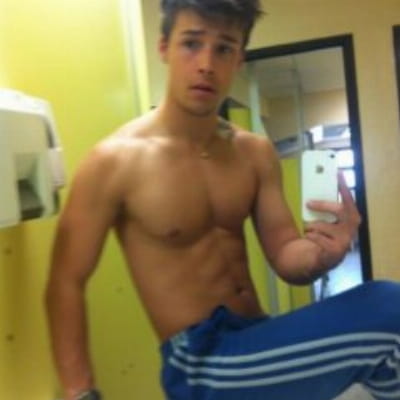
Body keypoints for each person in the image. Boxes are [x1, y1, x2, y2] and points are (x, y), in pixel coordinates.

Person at [45, 1, 400, 399]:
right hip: (200, 365)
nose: (206, 64)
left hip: (257, 339)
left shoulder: (254, 152)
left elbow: (286, 254)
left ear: (238, 59)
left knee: (388, 359)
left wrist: (323, 255)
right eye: (191, 43)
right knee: (390, 307)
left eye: (224, 48)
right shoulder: (114, 162)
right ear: (164, 47)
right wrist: (80, 393)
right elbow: (65, 281)